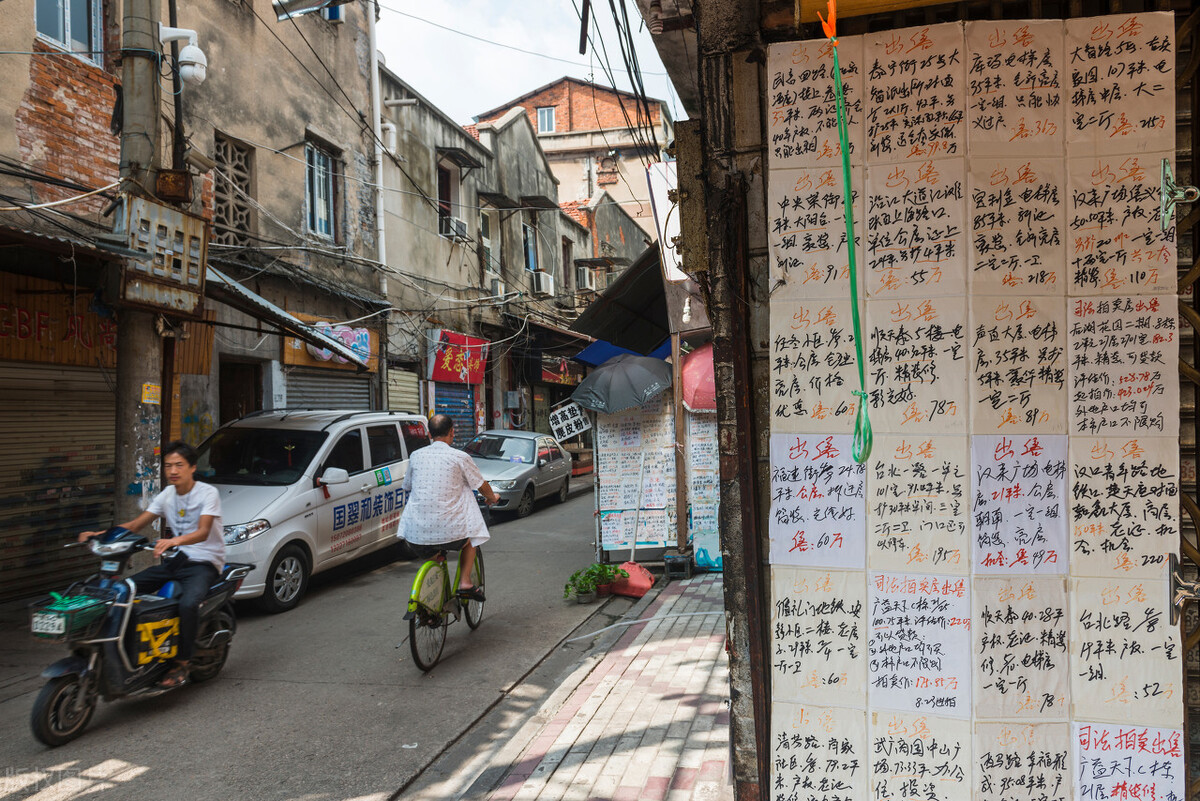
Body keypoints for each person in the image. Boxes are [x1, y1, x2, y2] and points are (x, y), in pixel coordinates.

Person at [79, 440, 223, 688]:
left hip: (204, 561)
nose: (173, 471)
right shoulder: (167, 495)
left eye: (179, 465)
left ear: (192, 467)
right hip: (179, 560)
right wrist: (99, 534)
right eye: (168, 466)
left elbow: (203, 531)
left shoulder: (208, 493)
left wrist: (173, 541)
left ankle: (182, 663)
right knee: (122, 590)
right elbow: (135, 525)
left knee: (188, 605)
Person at [396, 414, 498, 601]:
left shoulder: (416, 456)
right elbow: (481, 484)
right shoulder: (460, 457)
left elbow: (407, 486)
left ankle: (434, 598)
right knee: (472, 538)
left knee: (432, 553)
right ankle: (465, 582)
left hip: (415, 536)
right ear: (452, 432)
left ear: (429, 434)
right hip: (453, 534)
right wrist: (492, 497)